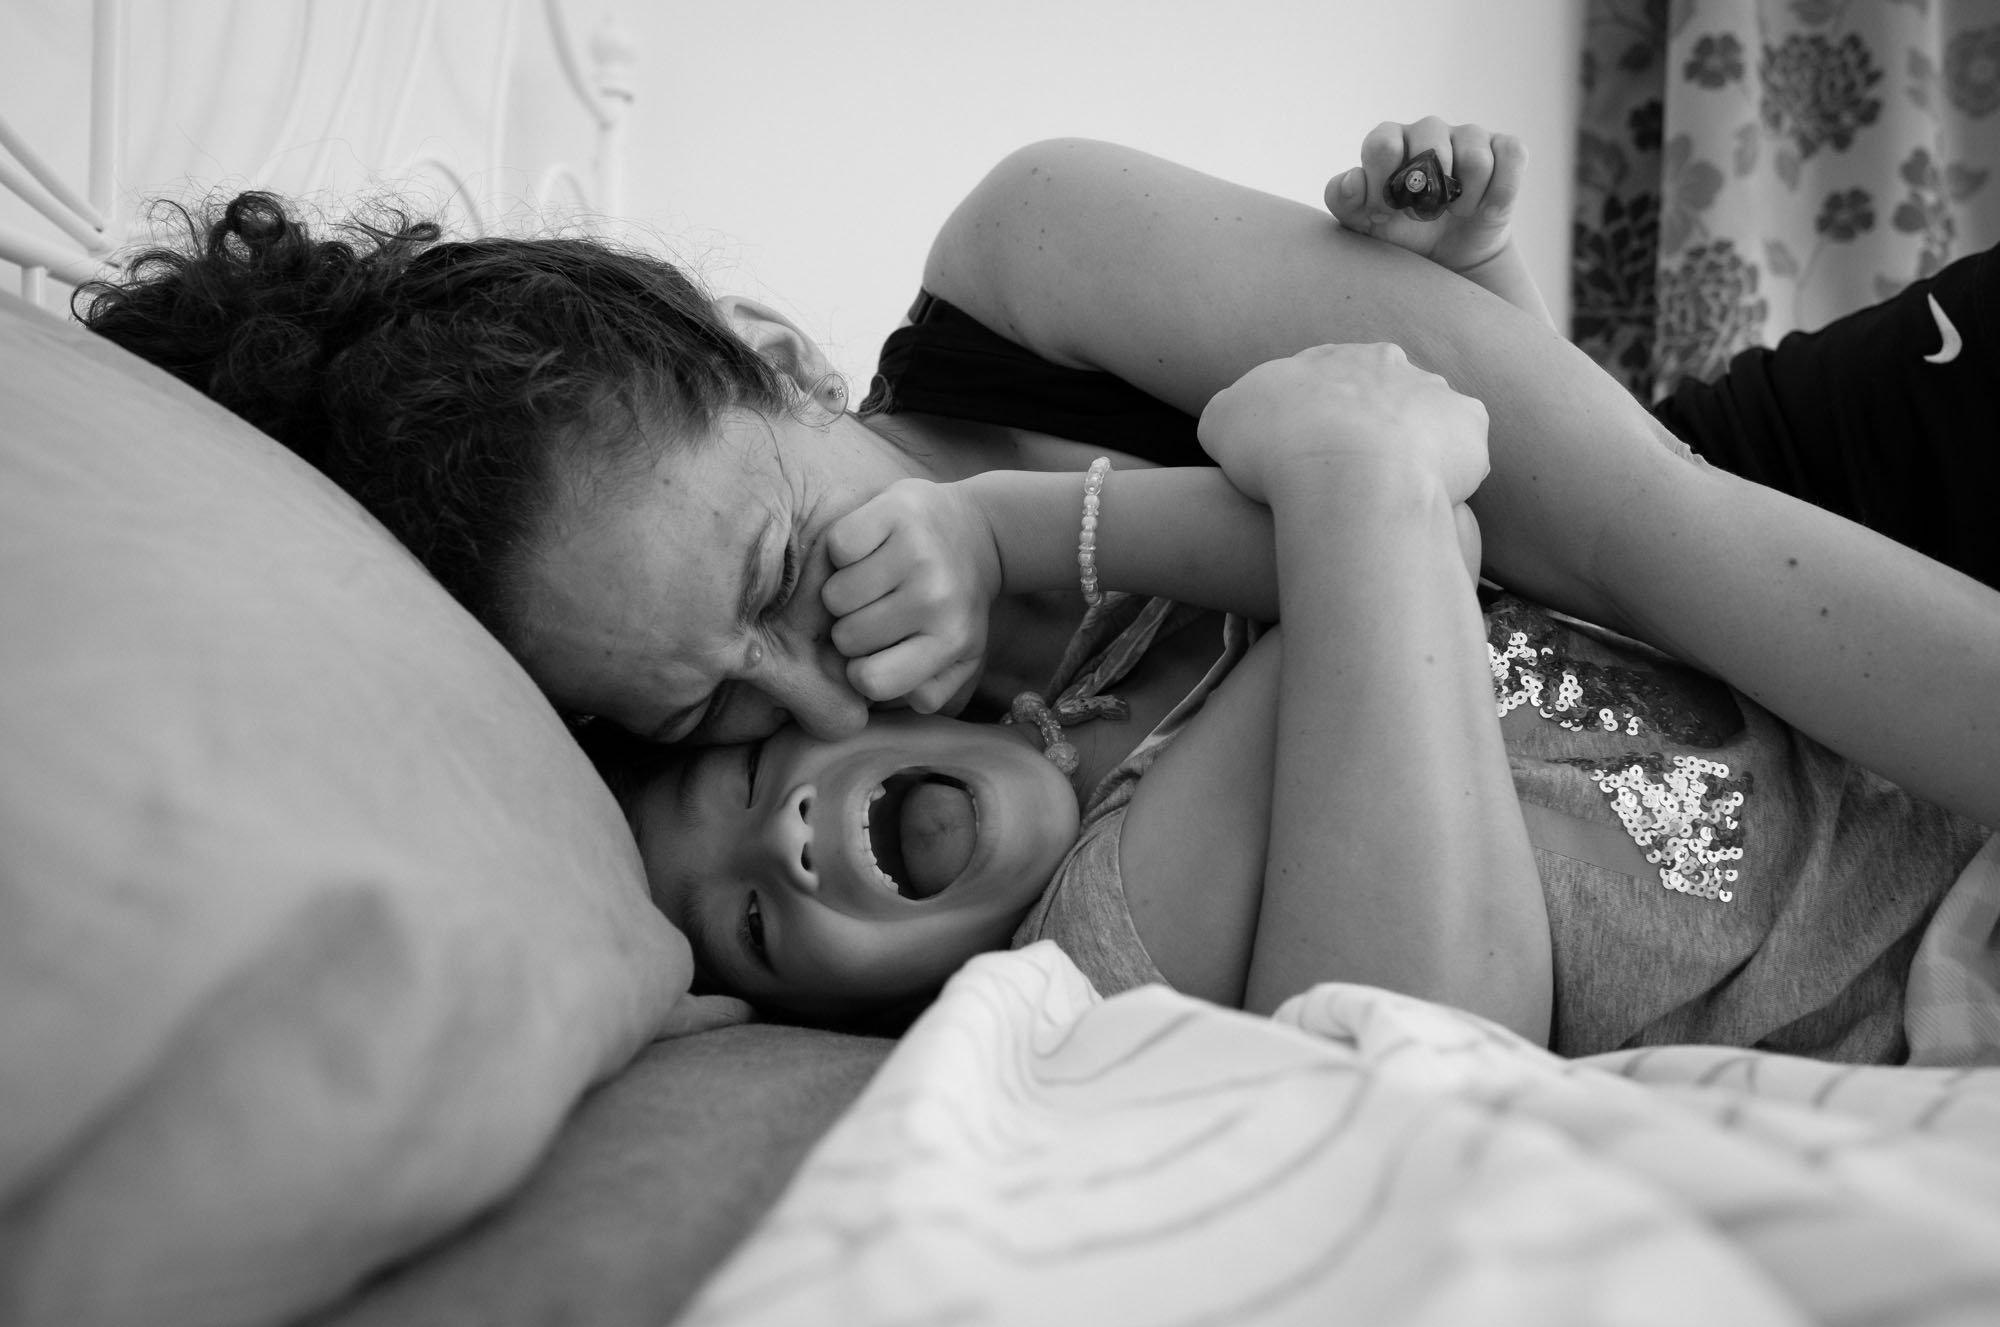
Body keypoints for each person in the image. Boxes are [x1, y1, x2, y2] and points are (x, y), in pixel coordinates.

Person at [79, 121, 1998, 1046]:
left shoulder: (1040, 261)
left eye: (773, 576)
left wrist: (1460, 347)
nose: (831, 705)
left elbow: (1649, 531)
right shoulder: (1042, 867)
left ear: (783, 366)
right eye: (721, 724)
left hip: (1811, 542)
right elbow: (1413, 576)